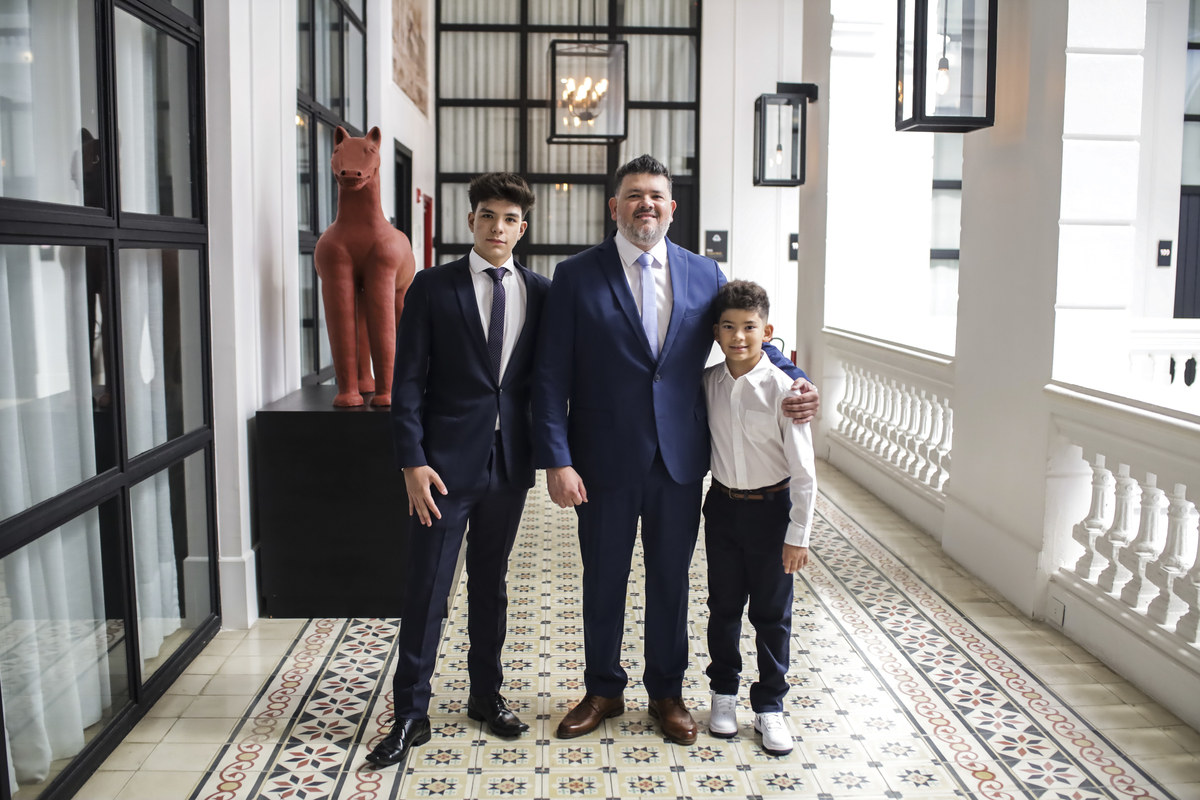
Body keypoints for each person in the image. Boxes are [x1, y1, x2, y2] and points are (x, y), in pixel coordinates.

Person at [532, 154, 819, 745]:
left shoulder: (703, 273)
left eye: (656, 196)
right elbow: (550, 374)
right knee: (603, 579)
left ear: (671, 207)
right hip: (601, 462)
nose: (646, 204)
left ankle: (666, 692)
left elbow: (746, 338)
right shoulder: (576, 275)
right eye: (634, 195)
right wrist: (557, 460)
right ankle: (603, 689)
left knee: (671, 580)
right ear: (615, 206)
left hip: (680, 461)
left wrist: (796, 379)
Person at [367, 173, 550, 768]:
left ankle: (485, 695)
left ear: (523, 228)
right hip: (441, 468)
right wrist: (412, 461)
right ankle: (410, 713)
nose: (498, 227)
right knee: (428, 588)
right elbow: (407, 382)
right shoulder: (432, 286)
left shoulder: (541, 292)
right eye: (488, 215)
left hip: (508, 465)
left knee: (490, 586)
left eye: (510, 219)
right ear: (471, 220)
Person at [702, 280, 815, 757]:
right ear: (716, 332)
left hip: (773, 512)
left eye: (749, 327)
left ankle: (770, 705)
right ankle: (723, 693)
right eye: (729, 327)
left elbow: (805, 472)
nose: (739, 337)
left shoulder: (786, 389)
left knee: (771, 614)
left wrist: (798, 535)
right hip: (722, 508)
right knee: (723, 607)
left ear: (767, 332)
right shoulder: (707, 384)